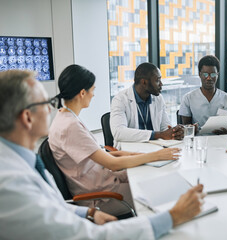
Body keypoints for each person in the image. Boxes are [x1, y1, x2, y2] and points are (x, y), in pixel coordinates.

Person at [0, 70, 205, 240]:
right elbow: (91, 235)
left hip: (97, 192)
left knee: (158, 186)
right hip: (99, 193)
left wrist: (87, 214)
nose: (51, 110)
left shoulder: (24, 160)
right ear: (27, 117)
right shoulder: (7, 184)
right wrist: (172, 217)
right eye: (46, 104)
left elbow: (52, 207)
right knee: (160, 200)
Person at [49, 64, 181, 216]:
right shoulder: (69, 126)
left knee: (155, 177)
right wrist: (156, 156)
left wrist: (135, 155)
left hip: (104, 181)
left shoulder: (67, 118)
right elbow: (111, 163)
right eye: (93, 90)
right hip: (100, 197)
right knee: (161, 190)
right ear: (82, 93)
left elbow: (101, 155)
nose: (94, 95)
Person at [110, 62, 184, 148]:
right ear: (144, 82)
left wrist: (174, 132)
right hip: (130, 150)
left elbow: (165, 127)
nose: (161, 84)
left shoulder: (158, 99)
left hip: (155, 147)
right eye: (157, 80)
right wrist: (158, 135)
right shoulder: (120, 99)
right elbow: (119, 132)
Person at [178, 55, 227, 134]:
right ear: (200, 74)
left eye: (213, 75)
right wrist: (192, 129)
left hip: (220, 140)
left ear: (217, 75)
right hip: (198, 142)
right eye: (205, 74)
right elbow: (185, 127)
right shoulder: (188, 98)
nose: (209, 78)